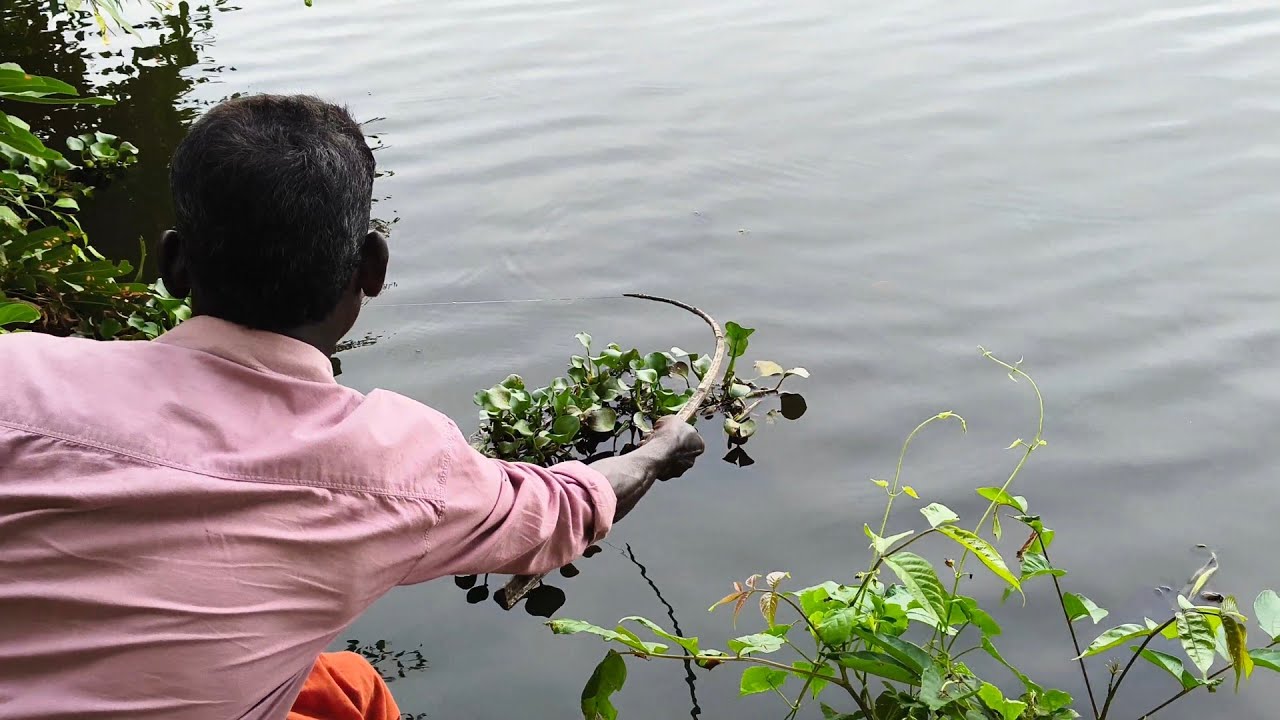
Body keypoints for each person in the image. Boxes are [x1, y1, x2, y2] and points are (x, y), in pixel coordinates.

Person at [0, 94, 705, 719]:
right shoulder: (395, 461)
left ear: (175, 265)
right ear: (371, 268)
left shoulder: (17, 371)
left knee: (342, 689)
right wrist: (658, 451)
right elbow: (565, 510)